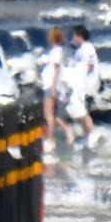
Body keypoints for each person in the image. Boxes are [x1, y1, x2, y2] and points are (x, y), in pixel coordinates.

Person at [41, 27, 74, 156]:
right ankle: (65, 130)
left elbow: (56, 69)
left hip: (51, 86)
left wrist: (53, 87)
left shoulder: (56, 51)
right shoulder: (58, 51)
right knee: (51, 115)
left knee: (48, 114)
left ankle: (50, 140)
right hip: (51, 85)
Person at [71, 24, 100, 146]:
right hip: (82, 82)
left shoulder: (86, 49)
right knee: (81, 109)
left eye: (74, 35)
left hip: (85, 83)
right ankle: (87, 134)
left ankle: (92, 133)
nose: (73, 38)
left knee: (81, 109)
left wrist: (79, 77)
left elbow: (88, 66)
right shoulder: (83, 49)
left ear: (79, 36)